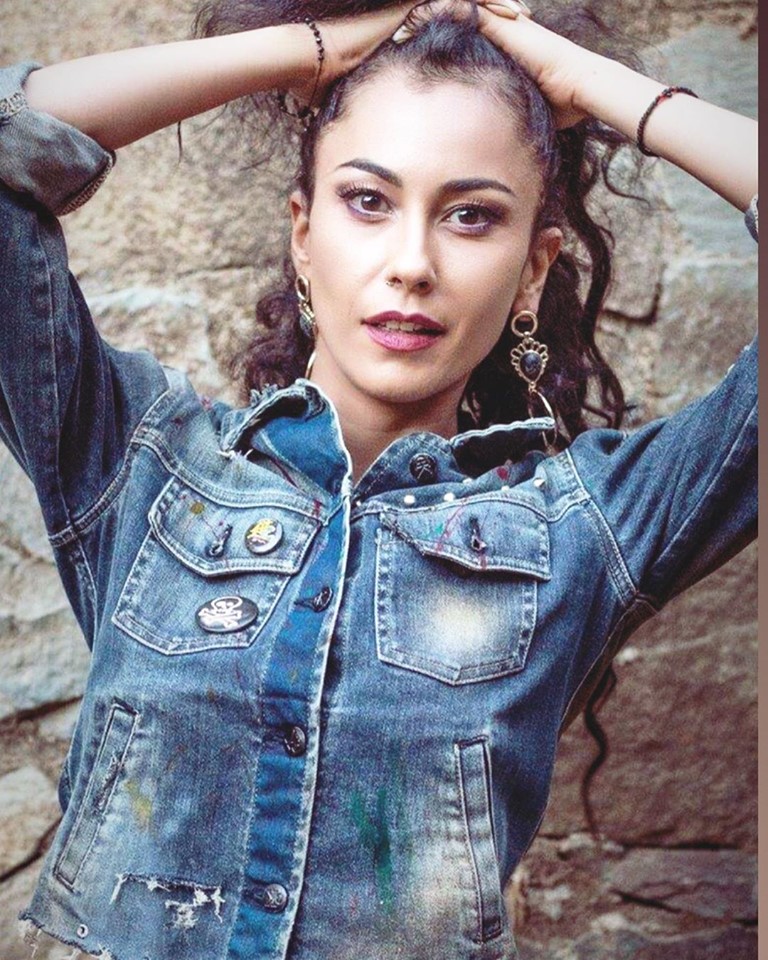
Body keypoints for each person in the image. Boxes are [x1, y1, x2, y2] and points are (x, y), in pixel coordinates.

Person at [0, 1, 756, 957]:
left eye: (472, 216)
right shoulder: (140, 467)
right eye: (367, 200)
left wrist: (586, 83)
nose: (411, 265)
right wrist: (308, 51)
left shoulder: (585, 529)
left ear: (534, 270)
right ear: (302, 233)